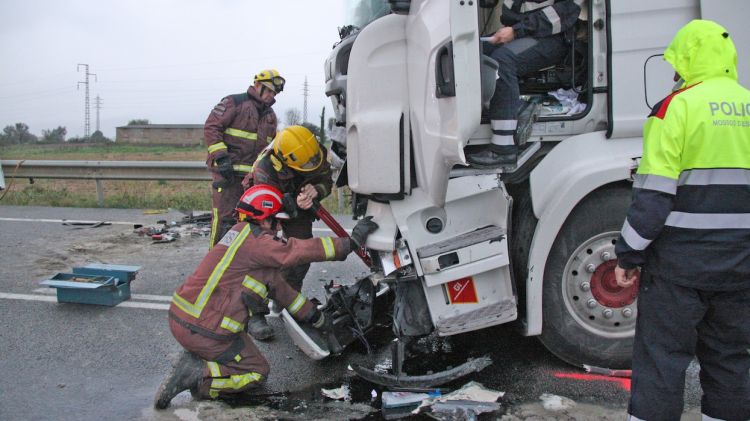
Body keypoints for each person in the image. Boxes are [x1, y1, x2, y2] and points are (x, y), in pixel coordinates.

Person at [614, 20, 750, 421]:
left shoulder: (675, 108)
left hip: (680, 266)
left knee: (662, 359)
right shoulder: (748, 103)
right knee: (732, 359)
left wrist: (628, 256)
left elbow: (654, 197)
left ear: (686, 61)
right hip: (742, 264)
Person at [153, 184, 378, 409]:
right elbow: (294, 251)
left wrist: (318, 319)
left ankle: (198, 363)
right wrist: (349, 243)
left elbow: (284, 293)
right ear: (262, 218)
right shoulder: (256, 242)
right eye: (275, 220)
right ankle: (199, 376)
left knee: (247, 359)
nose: (279, 226)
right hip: (208, 331)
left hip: (184, 320)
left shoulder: (243, 239)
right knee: (256, 372)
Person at [240, 125, 334, 340]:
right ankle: (255, 313)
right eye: (306, 165)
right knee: (264, 258)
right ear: (286, 160)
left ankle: (287, 301)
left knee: (301, 253)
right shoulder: (265, 169)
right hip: (265, 206)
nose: (312, 165)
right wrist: (291, 204)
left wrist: (317, 190)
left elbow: (326, 179)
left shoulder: (311, 151)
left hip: (299, 204)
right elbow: (269, 208)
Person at [466, 0, 582, 167]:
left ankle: (503, 148)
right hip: (520, 31)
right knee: (470, 51)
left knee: (502, 62)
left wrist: (515, 31)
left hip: (552, 36)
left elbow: (565, 11)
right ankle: (518, 107)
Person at [204, 69, 284, 248]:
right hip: (227, 175)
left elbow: (270, 148)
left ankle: (242, 263)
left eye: (274, 93)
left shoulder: (270, 116)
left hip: (252, 181)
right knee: (225, 220)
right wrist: (221, 158)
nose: (271, 96)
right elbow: (212, 127)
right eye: (269, 91)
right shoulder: (234, 102)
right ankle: (215, 262)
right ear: (257, 85)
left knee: (252, 222)